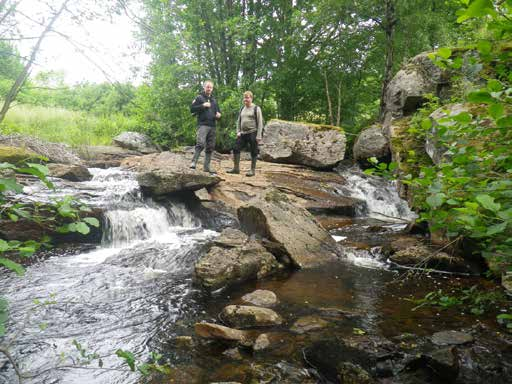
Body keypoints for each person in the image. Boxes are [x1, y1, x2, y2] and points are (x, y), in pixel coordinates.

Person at [227, 91, 263, 177]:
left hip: (253, 132)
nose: (245, 99)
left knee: (253, 151)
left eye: (247, 98)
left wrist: (258, 135)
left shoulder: (256, 108)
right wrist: (238, 131)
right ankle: (236, 169)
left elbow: (260, 122)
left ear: (251, 98)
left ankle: (252, 170)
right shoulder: (242, 108)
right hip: (243, 133)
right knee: (236, 148)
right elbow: (238, 121)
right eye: (244, 98)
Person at [189, 80, 221, 173]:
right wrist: (203, 105)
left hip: (212, 126)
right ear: (204, 87)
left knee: (210, 147)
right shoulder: (199, 98)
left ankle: (206, 167)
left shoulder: (214, 100)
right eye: (207, 87)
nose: (209, 89)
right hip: (202, 124)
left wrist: (219, 115)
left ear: (212, 88)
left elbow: (218, 113)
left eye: (211, 87)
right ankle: (193, 162)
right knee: (201, 143)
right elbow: (192, 109)